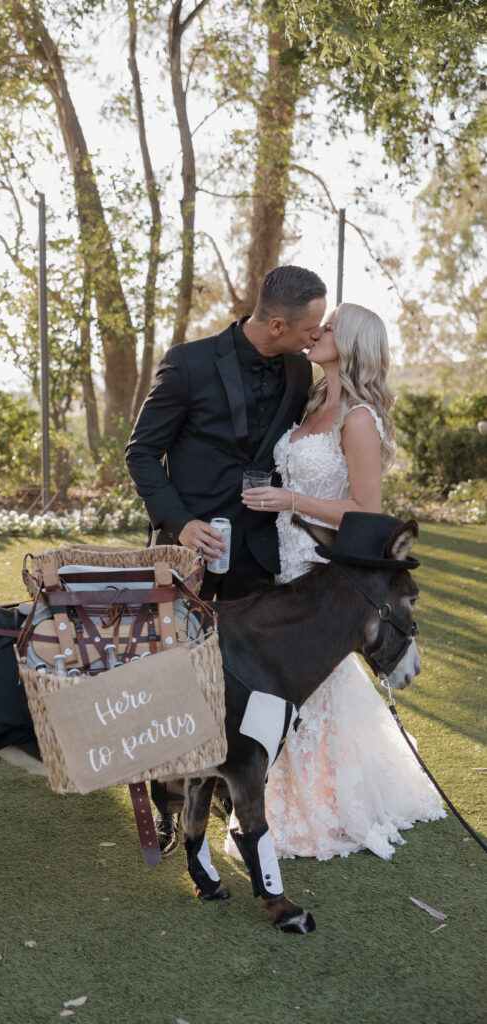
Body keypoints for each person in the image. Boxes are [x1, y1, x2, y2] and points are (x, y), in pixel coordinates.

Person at [228, 301, 445, 860]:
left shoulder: (359, 419)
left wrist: (290, 498)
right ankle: (273, 796)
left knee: (317, 685)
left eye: (329, 327)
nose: (316, 332)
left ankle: (323, 804)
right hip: (286, 558)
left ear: (351, 345)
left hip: (324, 567)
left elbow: (367, 510)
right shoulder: (313, 403)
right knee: (284, 681)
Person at [125, 264, 327, 853]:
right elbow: (141, 455)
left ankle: (222, 787)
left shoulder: (297, 368)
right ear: (278, 322)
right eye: (311, 327)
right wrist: (181, 524)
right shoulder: (187, 363)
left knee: (243, 680)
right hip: (186, 554)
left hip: (260, 557)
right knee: (169, 673)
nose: (316, 336)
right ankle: (166, 799)